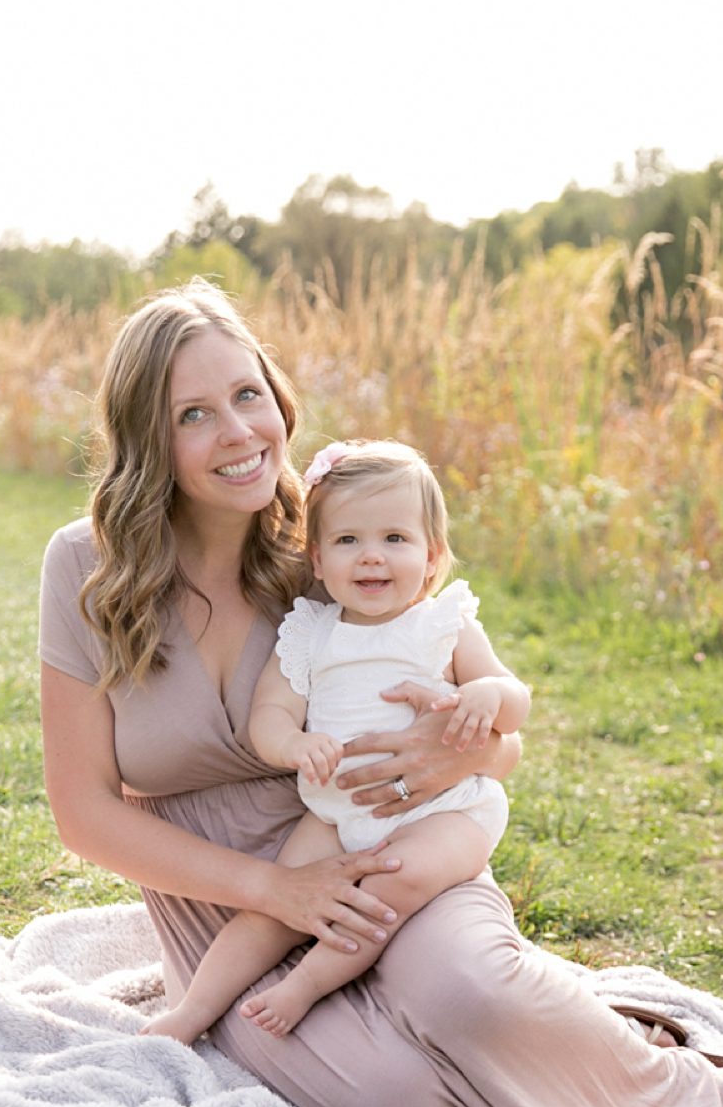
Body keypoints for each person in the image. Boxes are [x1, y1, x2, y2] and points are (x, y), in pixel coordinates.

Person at [39, 280, 723, 1107]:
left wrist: (440, 758)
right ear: (151, 437)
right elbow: (84, 812)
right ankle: (564, 1034)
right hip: (227, 905)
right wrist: (277, 892)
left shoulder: (333, 541)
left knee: (464, 995)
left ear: (276, 396)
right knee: (397, 1100)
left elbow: (504, 735)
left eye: (248, 394)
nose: (238, 432)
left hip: (386, 840)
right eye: (195, 413)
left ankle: (689, 1082)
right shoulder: (86, 568)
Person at [141, 438, 527, 1042]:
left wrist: (489, 697)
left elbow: (513, 697)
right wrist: (291, 746)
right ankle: (191, 1010)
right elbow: (271, 711)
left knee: (390, 886)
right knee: (273, 908)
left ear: (433, 555)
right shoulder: (311, 633)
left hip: (443, 814)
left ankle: (307, 985)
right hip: (335, 812)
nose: (371, 557)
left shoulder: (445, 625)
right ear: (317, 560)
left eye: (395, 539)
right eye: (349, 541)